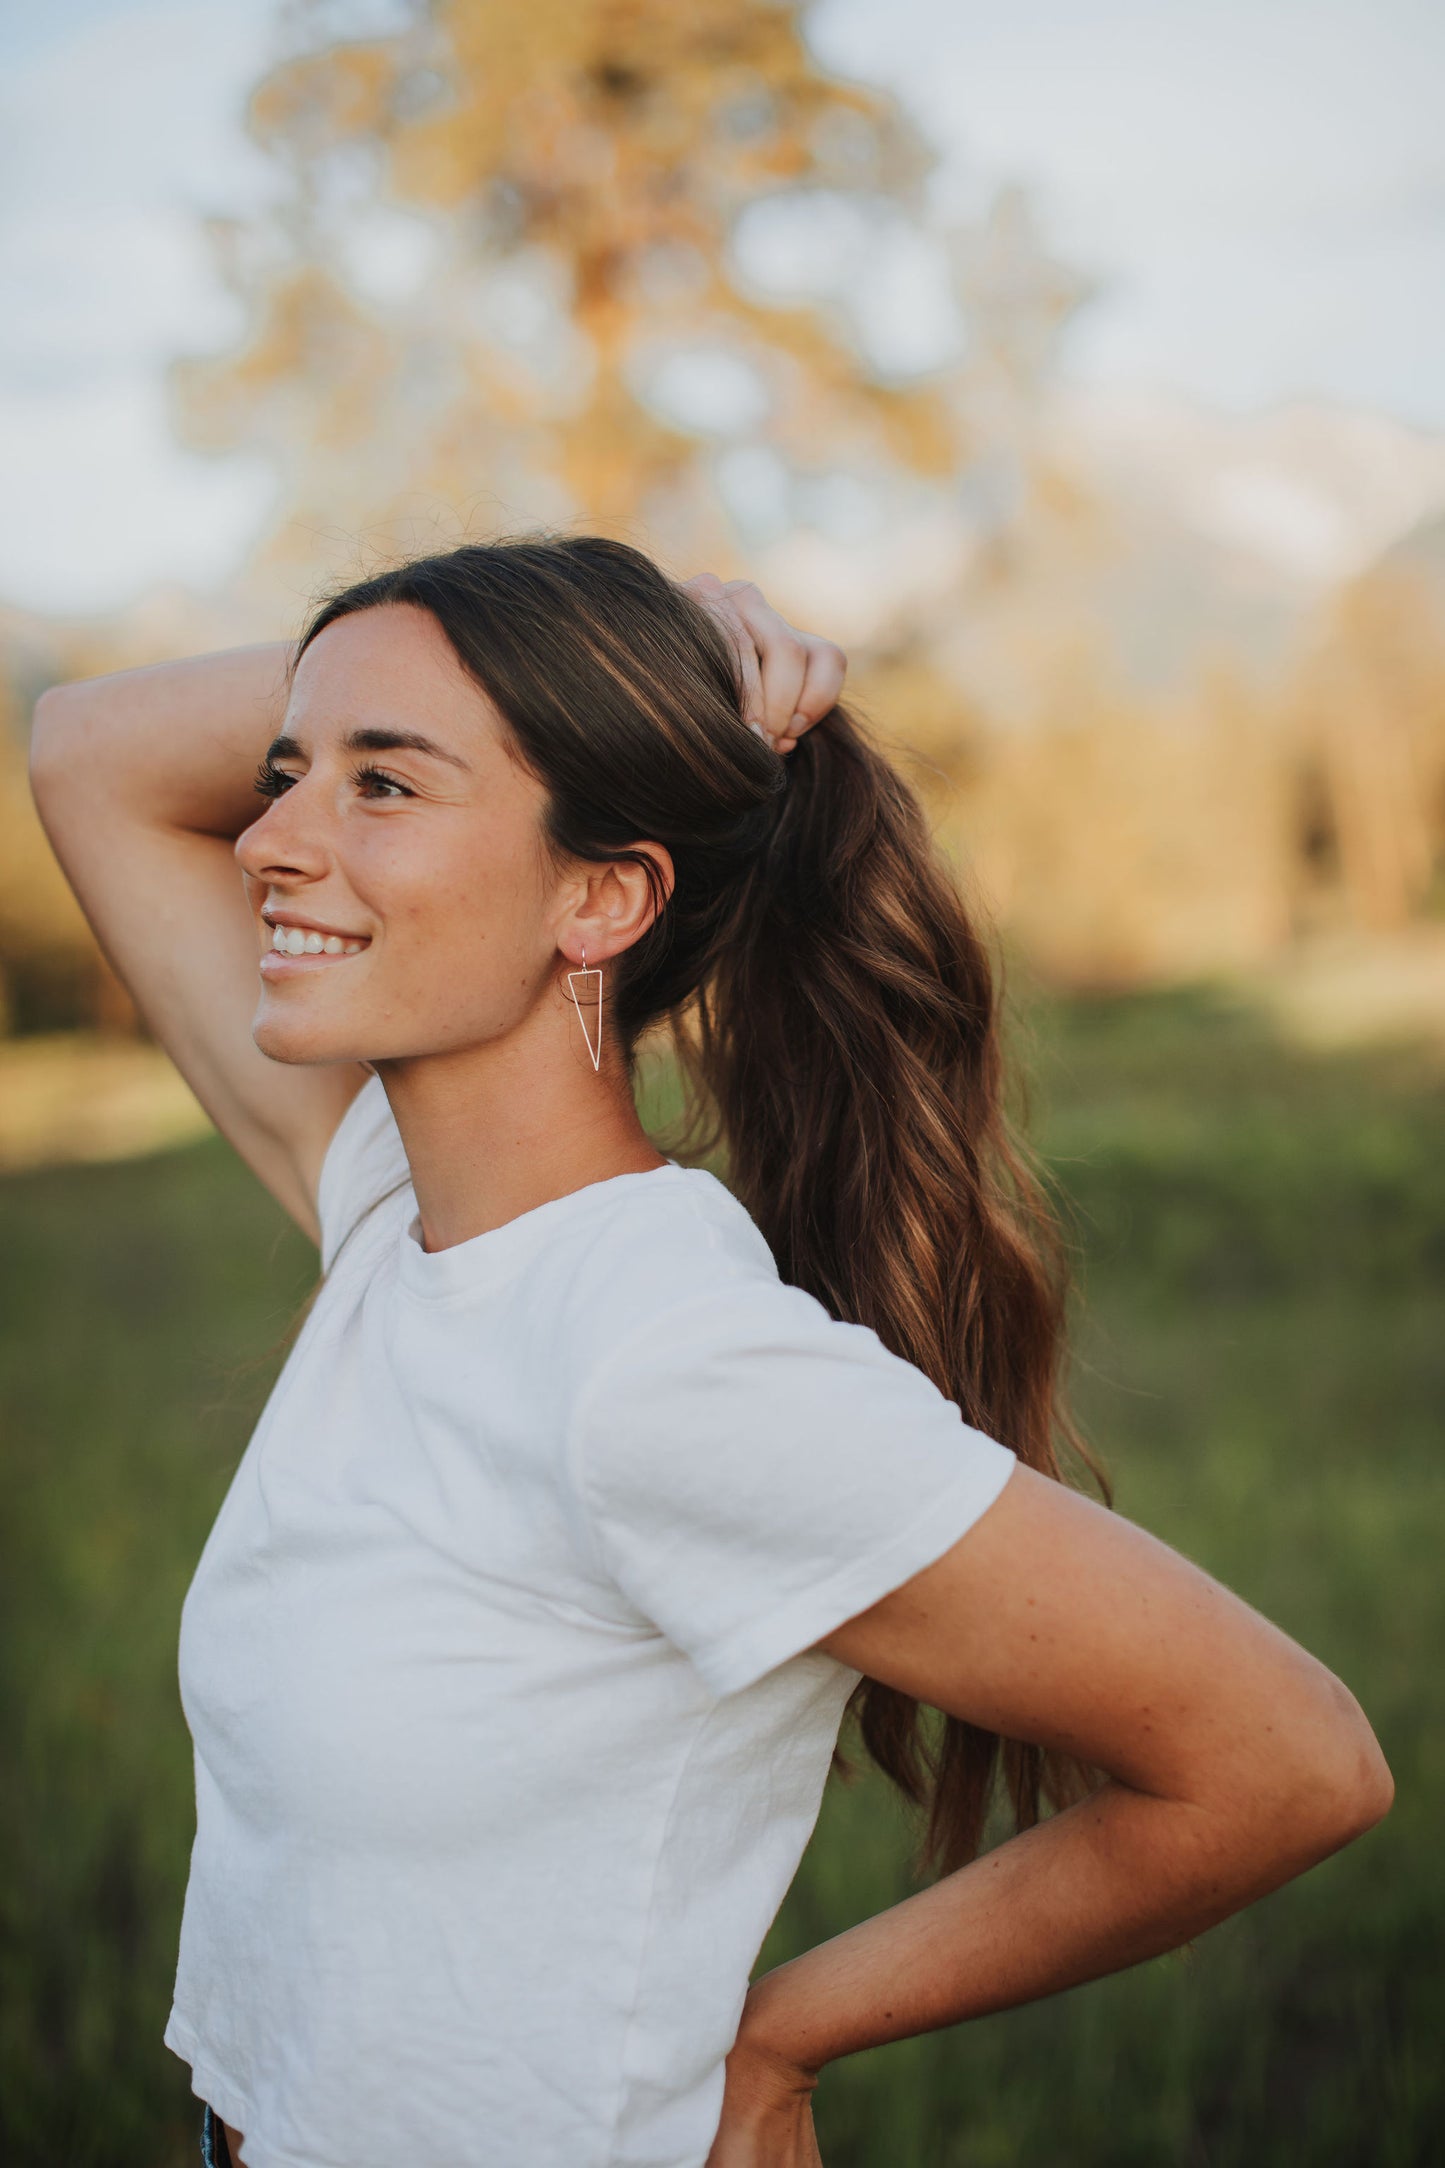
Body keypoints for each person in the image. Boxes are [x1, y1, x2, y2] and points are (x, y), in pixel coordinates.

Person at [29, 536, 1392, 2168]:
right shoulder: (400, 1210)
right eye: (284, 772)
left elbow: (1283, 1759)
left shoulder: (662, 1361)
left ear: (600, 896)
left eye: (382, 787)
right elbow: (87, 752)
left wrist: (778, 2039)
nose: (267, 838)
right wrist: (653, 652)